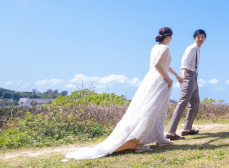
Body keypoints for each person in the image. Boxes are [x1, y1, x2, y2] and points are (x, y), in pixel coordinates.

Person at [66, 27, 183, 159]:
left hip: (151, 79)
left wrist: (176, 75)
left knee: (155, 109)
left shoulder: (155, 48)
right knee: (152, 110)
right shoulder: (165, 48)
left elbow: (164, 64)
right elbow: (158, 65)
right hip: (159, 80)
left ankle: (159, 137)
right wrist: (168, 79)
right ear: (169, 37)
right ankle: (139, 142)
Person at [165, 29, 206, 140]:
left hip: (194, 75)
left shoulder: (198, 49)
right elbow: (184, 63)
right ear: (194, 38)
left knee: (195, 102)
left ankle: (187, 129)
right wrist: (183, 76)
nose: (201, 39)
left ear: (205, 38)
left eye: (202, 37)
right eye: (198, 37)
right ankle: (171, 132)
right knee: (182, 103)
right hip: (188, 75)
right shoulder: (192, 48)